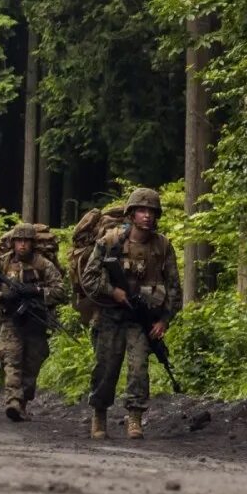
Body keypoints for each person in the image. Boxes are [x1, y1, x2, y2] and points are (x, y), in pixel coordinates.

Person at [80, 188, 182, 439]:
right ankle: (99, 416)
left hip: (140, 319)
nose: (147, 216)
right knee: (106, 368)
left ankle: (135, 418)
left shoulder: (162, 246)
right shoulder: (110, 241)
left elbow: (173, 287)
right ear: (132, 214)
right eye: (142, 211)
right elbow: (89, 278)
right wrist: (113, 291)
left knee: (138, 368)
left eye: (151, 212)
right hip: (110, 316)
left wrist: (164, 320)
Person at [0, 225, 67, 421]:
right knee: (12, 361)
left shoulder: (44, 265)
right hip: (11, 321)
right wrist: (3, 296)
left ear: (33, 243)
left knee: (32, 364)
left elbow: (60, 291)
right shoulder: (1, 264)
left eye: (26, 241)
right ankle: (13, 401)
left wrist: (37, 292)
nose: (22, 245)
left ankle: (22, 401)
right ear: (13, 243)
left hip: (36, 322)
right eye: (19, 241)